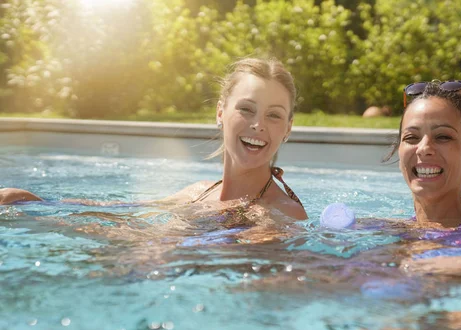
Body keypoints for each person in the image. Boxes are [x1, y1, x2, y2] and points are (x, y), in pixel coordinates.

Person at [1, 57, 307, 221]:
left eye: (274, 115)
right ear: (220, 112)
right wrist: (39, 203)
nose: (257, 125)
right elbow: (127, 209)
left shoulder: (282, 212)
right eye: (246, 109)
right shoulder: (198, 192)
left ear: (288, 129)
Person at [385, 80, 461, 228]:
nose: (424, 148)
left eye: (443, 137)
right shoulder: (376, 233)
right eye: (411, 137)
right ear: (399, 153)